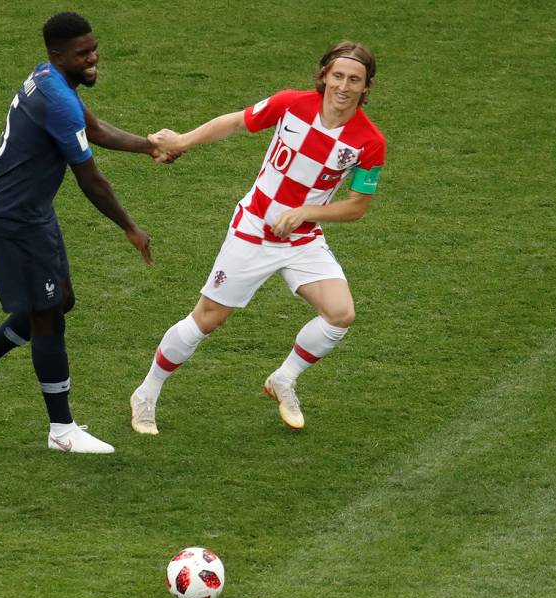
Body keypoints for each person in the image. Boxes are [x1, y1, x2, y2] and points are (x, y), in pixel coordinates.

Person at [130, 41, 386, 434]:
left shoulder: (369, 142)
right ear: (323, 76)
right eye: (338, 76)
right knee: (207, 319)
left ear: (366, 87)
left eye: (355, 79)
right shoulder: (291, 104)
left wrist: (306, 213)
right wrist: (181, 141)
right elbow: (236, 121)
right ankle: (146, 393)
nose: (344, 86)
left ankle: (283, 378)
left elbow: (357, 206)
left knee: (340, 314)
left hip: (302, 239)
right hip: (253, 230)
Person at [0, 12, 172, 454]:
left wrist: (151, 145)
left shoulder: (48, 77)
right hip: (14, 221)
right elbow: (91, 180)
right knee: (48, 314)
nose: (93, 59)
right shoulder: (57, 99)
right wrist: (130, 227)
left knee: (60, 300)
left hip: (32, 214)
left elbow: (93, 129)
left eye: (94, 49)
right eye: (82, 54)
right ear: (57, 54)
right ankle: (61, 430)